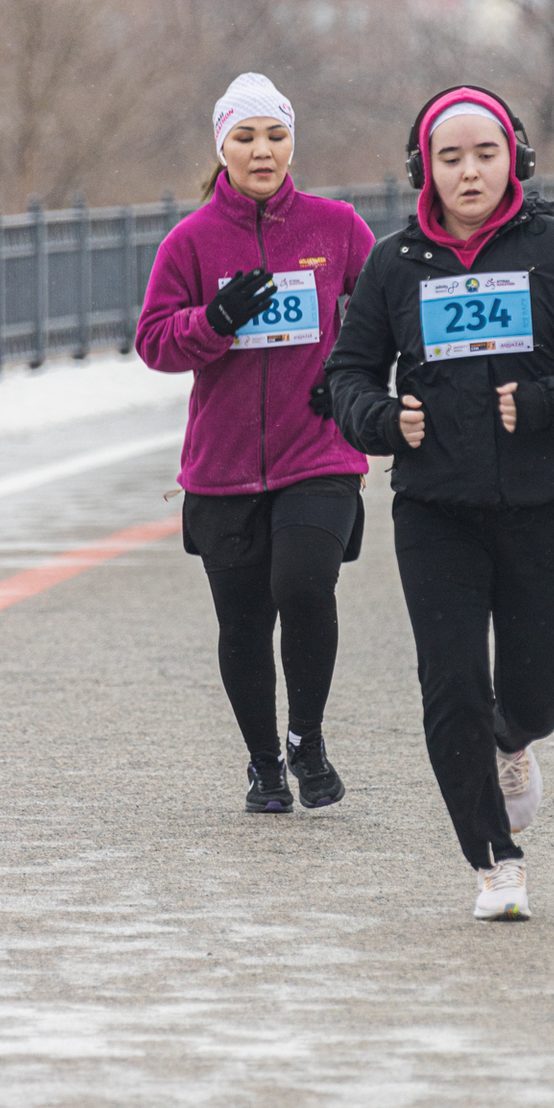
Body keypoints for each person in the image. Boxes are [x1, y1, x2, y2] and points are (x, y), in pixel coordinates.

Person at [326, 85, 554, 922]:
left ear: (516, 158)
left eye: (486, 154)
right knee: (452, 686)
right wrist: (383, 421)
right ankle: (493, 861)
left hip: (548, 502)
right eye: (450, 158)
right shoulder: (395, 265)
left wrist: (548, 404)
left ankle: (514, 737)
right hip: (437, 509)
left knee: (537, 697)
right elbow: (346, 375)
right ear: (423, 170)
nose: (469, 172)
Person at [136, 74, 375, 816]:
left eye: (275, 135)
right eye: (245, 137)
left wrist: (347, 378)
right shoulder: (190, 241)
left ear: (292, 142)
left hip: (319, 450)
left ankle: (308, 738)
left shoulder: (337, 227)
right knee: (243, 623)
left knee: (304, 585)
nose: (262, 150)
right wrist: (213, 321)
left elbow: (384, 314)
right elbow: (153, 342)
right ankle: (265, 765)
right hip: (224, 467)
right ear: (223, 148)